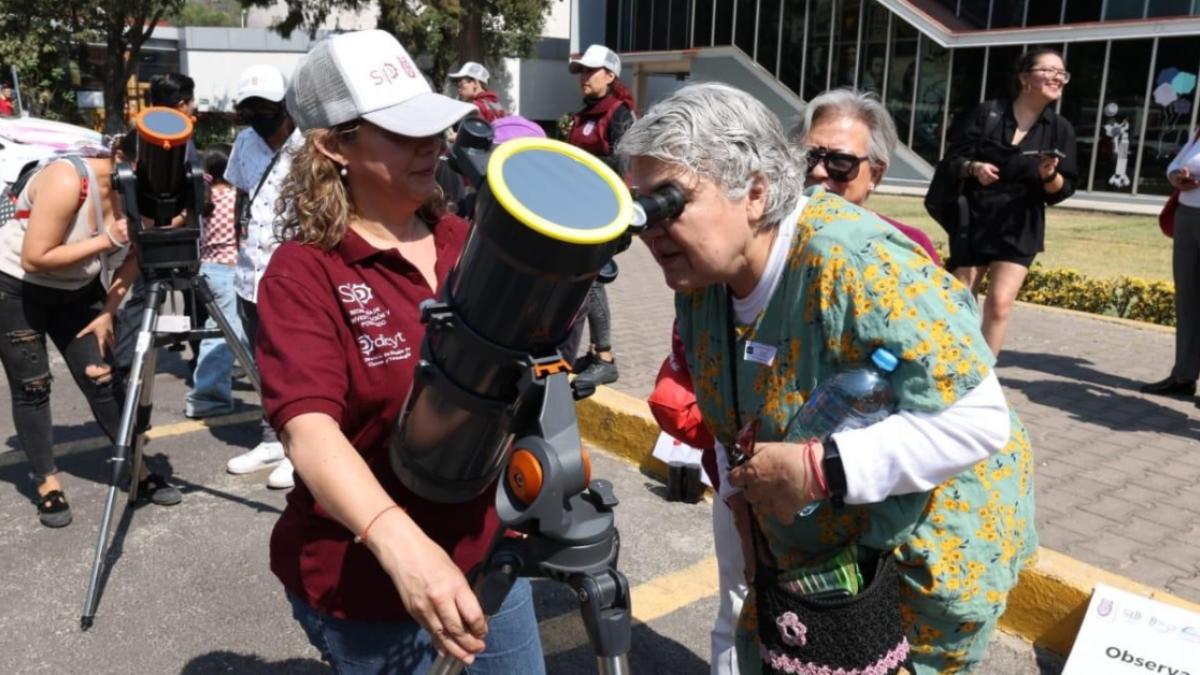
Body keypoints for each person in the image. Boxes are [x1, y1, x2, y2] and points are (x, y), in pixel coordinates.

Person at [620, 82, 1035, 674]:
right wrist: (741, 500)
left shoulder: (858, 261)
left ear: (756, 193)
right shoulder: (704, 280)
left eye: (670, 202)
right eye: (643, 206)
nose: (651, 229)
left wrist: (821, 469)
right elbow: (728, 404)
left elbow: (978, 420)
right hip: (812, 567)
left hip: (913, 570)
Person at [256, 30, 545, 673]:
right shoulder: (304, 272)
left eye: (434, 128)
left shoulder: (468, 240)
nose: (432, 146)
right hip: (371, 583)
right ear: (334, 146)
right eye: (402, 131)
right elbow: (308, 431)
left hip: (487, 554)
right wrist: (400, 545)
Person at [0, 140, 182, 528]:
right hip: (18, 288)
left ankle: (138, 468)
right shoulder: (69, 179)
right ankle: (47, 480)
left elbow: (135, 257)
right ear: (121, 158)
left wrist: (109, 312)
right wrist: (109, 238)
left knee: (102, 377)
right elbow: (36, 256)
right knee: (32, 387)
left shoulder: (140, 193)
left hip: (78, 291)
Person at [942, 47, 1077, 355]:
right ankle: (949, 362)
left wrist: (1048, 174)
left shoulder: (1060, 129)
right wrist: (973, 168)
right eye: (1049, 70)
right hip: (975, 219)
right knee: (960, 299)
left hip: (1021, 223)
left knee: (1000, 304)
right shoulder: (987, 114)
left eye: (1062, 73)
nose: (1058, 77)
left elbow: (1062, 190)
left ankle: (982, 379)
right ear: (1024, 77)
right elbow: (951, 163)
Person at [222, 64, 299, 489]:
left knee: (294, 366)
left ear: (284, 105)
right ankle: (271, 438)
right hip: (250, 273)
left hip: (294, 277)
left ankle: (297, 448)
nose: (256, 115)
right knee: (260, 365)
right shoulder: (244, 142)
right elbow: (241, 194)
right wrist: (237, 238)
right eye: (248, 108)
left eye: (264, 107)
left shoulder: (310, 147)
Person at [114, 71, 204, 380]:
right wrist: (179, 218)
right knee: (152, 297)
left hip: (148, 227)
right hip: (165, 228)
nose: (193, 108)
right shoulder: (180, 141)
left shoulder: (139, 133)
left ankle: (127, 361)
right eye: (191, 102)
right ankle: (199, 368)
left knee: (142, 297)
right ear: (182, 104)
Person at [791, 88, 941, 264]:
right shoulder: (765, 236)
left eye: (840, 161)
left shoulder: (908, 247)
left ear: (875, 175)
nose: (817, 171)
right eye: (808, 156)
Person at [564, 44, 636, 389]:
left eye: (591, 71)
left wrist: (581, 165)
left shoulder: (620, 113)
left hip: (607, 214)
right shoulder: (584, 114)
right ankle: (596, 352)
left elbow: (626, 165)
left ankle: (605, 358)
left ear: (610, 75)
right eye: (581, 71)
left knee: (590, 279)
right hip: (579, 211)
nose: (584, 78)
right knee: (581, 280)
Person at [184, 144, 246, 418]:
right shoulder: (235, 196)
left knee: (228, 331)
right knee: (224, 335)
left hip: (208, 269)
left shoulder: (202, 198)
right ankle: (206, 397)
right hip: (231, 269)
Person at [1141, 127, 1200, 399]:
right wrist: (1176, 177)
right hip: (1188, 215)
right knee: (1187, 298)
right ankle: (1184, 376)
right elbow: (1175, 164)